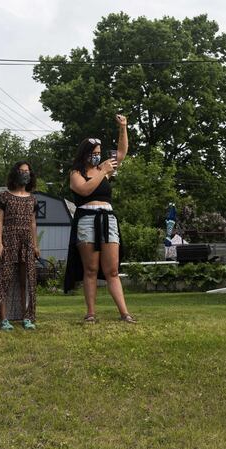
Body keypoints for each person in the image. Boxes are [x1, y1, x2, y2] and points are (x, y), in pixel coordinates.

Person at [63, 114, 136, 323]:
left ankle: (125, 313)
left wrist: (123, 127)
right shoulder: (76, 172)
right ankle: (91, 313)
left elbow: (121, 153)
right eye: (93, 153)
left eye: (98, 153)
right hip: (86, 219)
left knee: (112, 269)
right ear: (85, 154)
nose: (97, 156)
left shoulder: (104, 169)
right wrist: (102, 171)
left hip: (108, 219)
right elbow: (84, 190)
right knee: (91, 268)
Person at [0, 161, 40, 331]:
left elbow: (33, 223)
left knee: (26, 280)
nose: (24, 173)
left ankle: (27, 317)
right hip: (9, 240)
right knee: (5, 279)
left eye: (27, 171)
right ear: (15, 173)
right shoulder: (5, 196)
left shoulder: (33, 199)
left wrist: (35, 245)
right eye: (21, 171)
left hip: (27, 242)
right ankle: (3, 319)